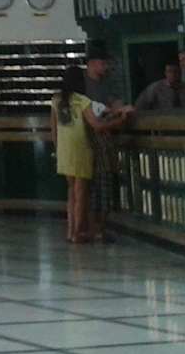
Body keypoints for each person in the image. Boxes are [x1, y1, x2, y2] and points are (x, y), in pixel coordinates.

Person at [51, 66, 130, 243]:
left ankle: (70, 231)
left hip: (64, 150)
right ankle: (77, 233)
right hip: (80, 148)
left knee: (71, 193)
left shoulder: (56, 100)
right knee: (81, 193)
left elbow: (54, 129)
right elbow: (97, 125)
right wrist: (120, 121)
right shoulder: (82, 101)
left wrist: (57, 149)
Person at [83, 45, 130, 243]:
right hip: (91, 141)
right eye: (103, 63)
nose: (105, 67)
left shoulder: (104, 84)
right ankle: (95, 228)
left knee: (104, 184)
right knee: (96, 185)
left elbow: (112, 103)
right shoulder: (83, 85)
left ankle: (99, 228)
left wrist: (119, 109)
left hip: (105, 140)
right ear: (93, 64)